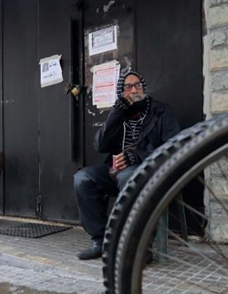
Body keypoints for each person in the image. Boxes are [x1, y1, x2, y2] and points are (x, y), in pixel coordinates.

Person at [74, 69, 181, 260]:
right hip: (116, 170)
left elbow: (174, 147)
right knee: (83, 178)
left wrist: (138, 156)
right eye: (128, 87)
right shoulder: (119, 112)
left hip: (149, 171)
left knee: (128, 176)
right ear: (121, 92)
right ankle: (100, 241)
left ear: (144, 88)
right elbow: (100, 145)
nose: (134, 90)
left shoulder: (161, 111)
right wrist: (116, 112)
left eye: (137, 85)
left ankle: (140, 246)